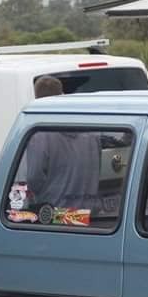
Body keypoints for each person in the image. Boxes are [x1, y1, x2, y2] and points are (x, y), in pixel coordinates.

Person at [22, 76, 102, 210]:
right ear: (62, 95)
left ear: (37, 100)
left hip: (58, 216)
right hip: (87, 215)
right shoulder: (90, 131)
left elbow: (33, 179)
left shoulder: (40, 134)